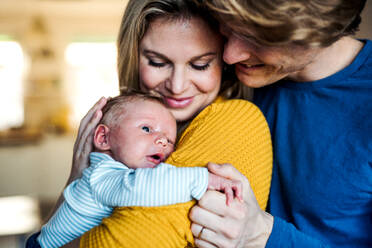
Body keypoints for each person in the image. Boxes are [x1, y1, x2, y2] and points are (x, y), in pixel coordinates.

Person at [26, 1, 273, 247]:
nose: (177, 86)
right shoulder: (124, 130)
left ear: (225, 63)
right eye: (157, 62)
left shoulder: (233, 122)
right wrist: (74, 185)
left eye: (199, 65)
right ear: (133, 56)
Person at [185, 0, 371, 247]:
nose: (230, 55)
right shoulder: (214, 69)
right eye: (228, 27)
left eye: (258, 39)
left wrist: (262, 235)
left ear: (320, 30)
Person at [37, 92, 243, 248]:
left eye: (170, 140)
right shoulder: (102, 174)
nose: (162, 141)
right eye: (146, 129)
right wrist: (204, 179)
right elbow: (142, 187)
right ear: (103, 138)